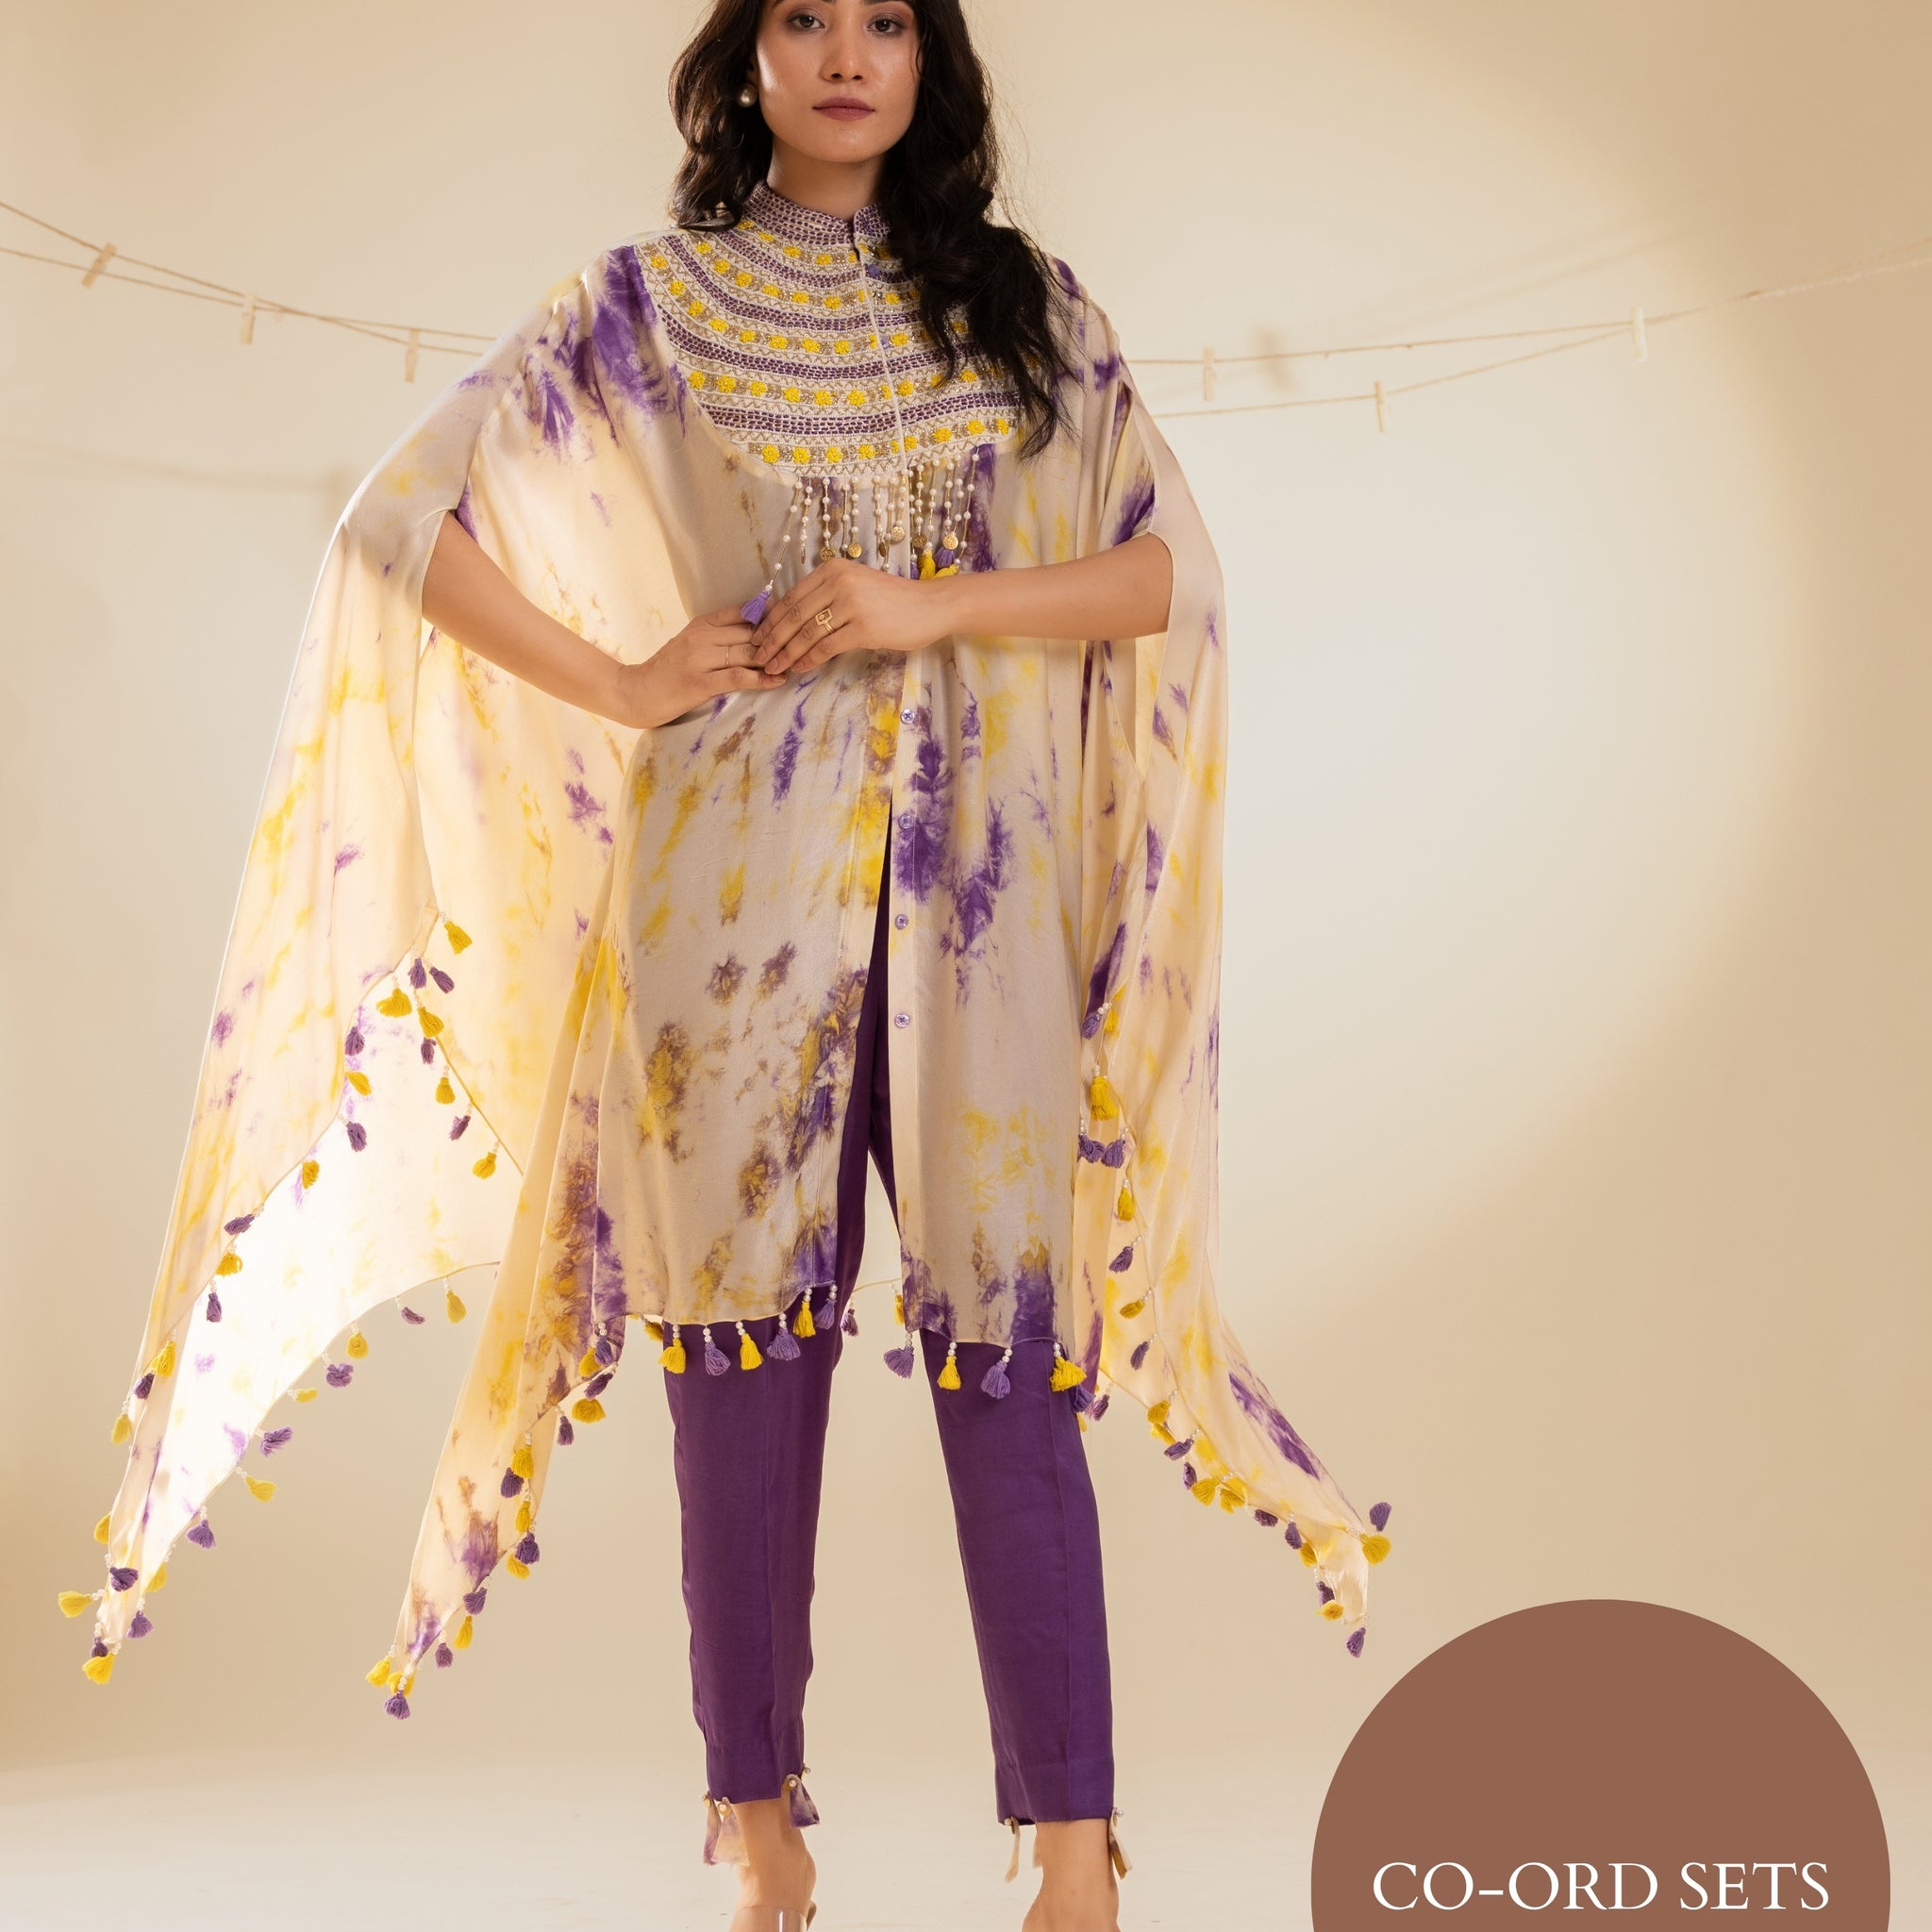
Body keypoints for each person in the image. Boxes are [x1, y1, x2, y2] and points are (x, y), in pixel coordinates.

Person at [70, 3, 1392, 1929]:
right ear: (743, 56)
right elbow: (396, 521)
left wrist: (933, 603)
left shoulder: (1022, 305)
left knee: (1010, 1353)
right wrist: (617, 682)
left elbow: (1159, 573)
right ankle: (759, 1831)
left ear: (929, 60)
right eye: (804, 16)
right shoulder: (640, 306)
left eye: (886, 21)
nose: (848, 54)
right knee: (741, 1368)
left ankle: (1075, 1856)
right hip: (729, 909)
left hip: (983, 908)